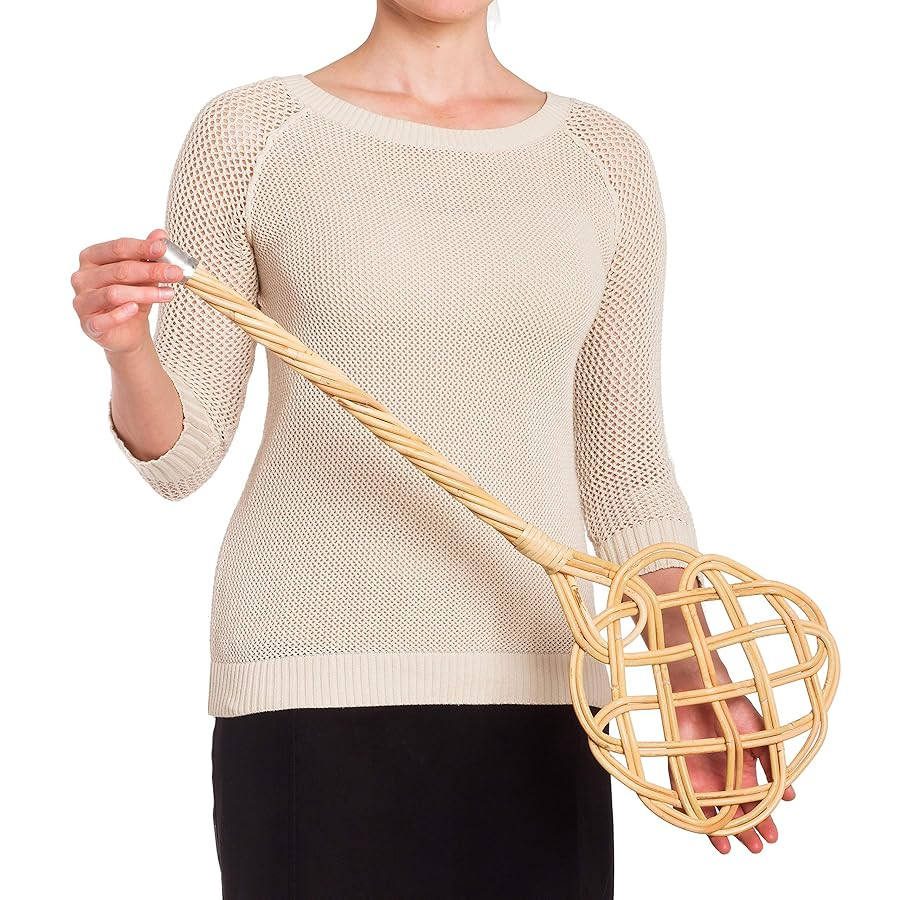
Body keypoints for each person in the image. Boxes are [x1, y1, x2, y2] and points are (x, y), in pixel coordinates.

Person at [71, 1, 795, 896]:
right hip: (310, 681)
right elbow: (183, 455)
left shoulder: (604, 159)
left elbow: (628, 475)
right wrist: (127, 347)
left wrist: (690, 668)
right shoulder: (251, 135)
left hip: (547, 685)